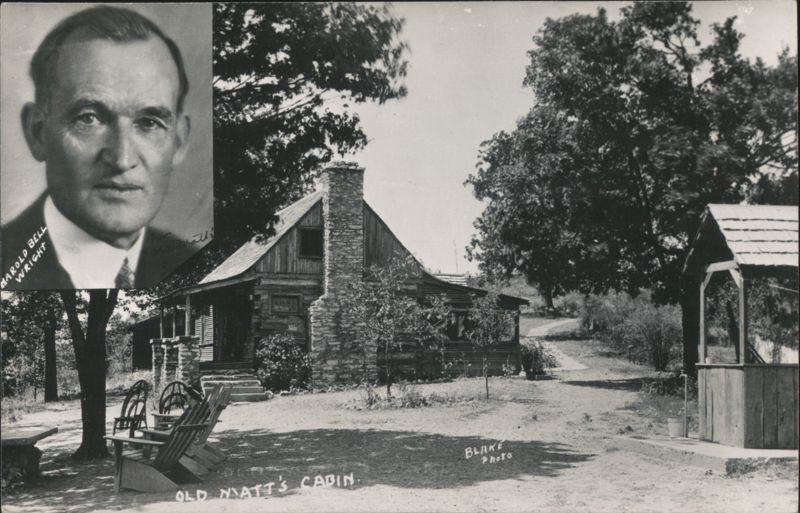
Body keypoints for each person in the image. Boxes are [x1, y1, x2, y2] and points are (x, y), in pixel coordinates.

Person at [1, 6, 196, 290]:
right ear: (37, 133)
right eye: (89, 119)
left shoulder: (195, 266)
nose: (122, 159)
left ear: (178, 142)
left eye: (149, 123)